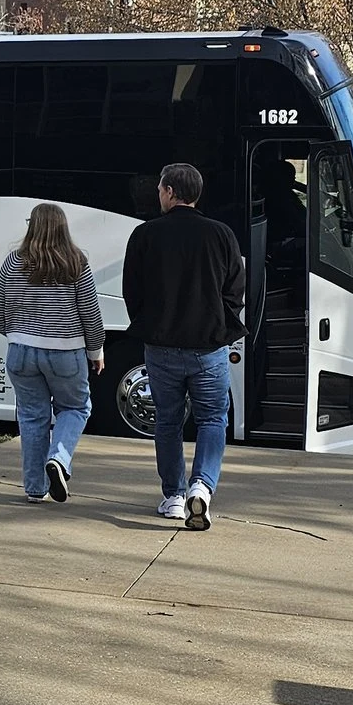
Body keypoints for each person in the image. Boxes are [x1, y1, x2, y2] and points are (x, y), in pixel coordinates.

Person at [121, 162, 246, 532]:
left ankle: (174, 496)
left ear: (171, 192)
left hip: (161, 349)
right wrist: (220, 326)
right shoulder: (222, 235)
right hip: (208, 349)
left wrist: (149, 325)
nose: (158, 195)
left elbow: (133, 292)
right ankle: (202, 487)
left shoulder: (145, 235)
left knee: (168, 422)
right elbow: (234, 291)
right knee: (212, 419)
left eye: (160, 189)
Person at [0, 203, 103, 504]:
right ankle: (60, 458)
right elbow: (90, 313)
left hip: (21, 352)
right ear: (63, 227)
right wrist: (96, 350)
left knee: (32, 417)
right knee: (76, 408)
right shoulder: (75, 262)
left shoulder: (13, 262)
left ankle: (34, 488)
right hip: (65, 351)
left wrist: (16, 334)